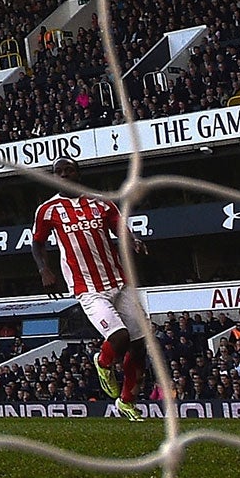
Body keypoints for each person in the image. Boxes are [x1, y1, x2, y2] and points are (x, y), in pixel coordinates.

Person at [33, 156, 153, 420]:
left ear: (78, 174)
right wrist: (45, 269)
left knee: (139, 346)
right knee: (120, 339)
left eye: (69, 170)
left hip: (120, 282)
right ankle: (103, 363)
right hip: (88, 287)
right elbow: (37, 243)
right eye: (58, 172)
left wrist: (133, 240)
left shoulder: (102, 202)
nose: (64, 174)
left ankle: (126, 401)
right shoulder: (48, 210)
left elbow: (120, 228)